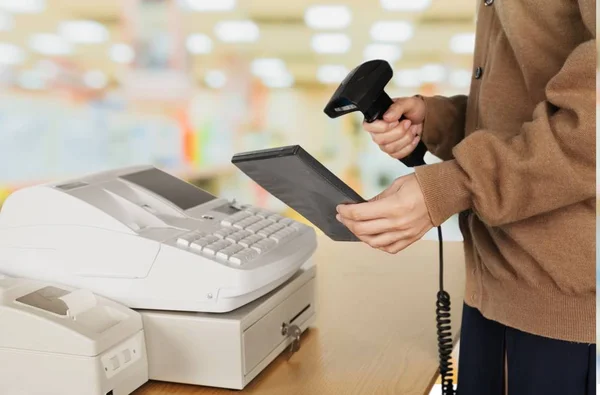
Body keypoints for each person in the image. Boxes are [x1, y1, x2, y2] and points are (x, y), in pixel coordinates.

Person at [335, 1, 596, 394]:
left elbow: (589, 126)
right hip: (489, 283)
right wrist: (437, 120)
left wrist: (458, 182)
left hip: (556, 299)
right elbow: (520, 108)